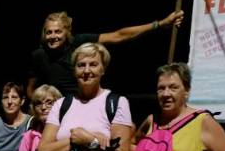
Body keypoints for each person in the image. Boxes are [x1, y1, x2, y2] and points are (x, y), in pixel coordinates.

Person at [28, 10, 185, 96]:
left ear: (66, 32)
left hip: (84, 103)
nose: (53, 36)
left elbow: (118, 35)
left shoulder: (79, 42)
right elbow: (30, 88)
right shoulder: (39, 56)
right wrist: (40, 103)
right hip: (55, 112)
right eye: (49, 32)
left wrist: (159, 24)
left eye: (58, 31)